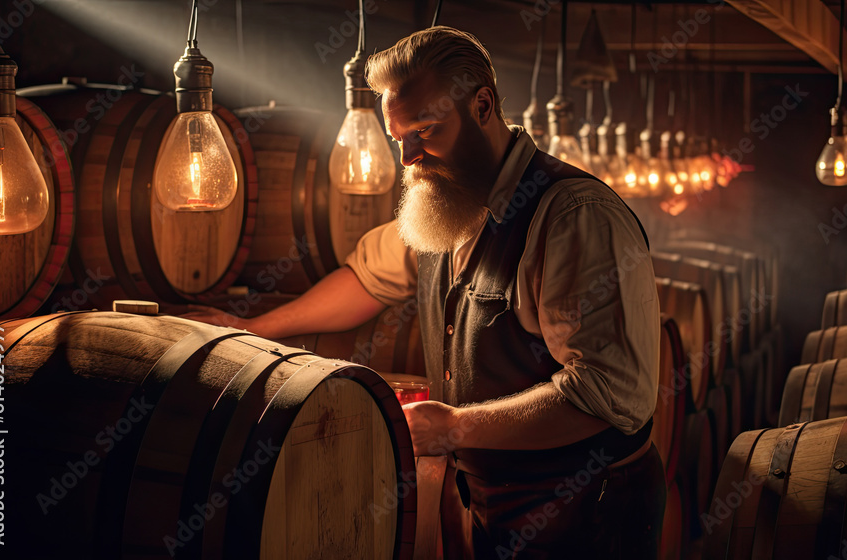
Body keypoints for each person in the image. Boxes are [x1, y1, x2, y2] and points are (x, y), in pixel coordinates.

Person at [186, 26, 664, 560]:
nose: (410, 156)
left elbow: (606, 396)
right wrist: (254, 329)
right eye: (399, 138)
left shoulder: (573, 216)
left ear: (482, 105)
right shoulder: (449, 200)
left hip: (585, 517)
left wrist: (456, 427)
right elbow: (367, 278)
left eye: (427, 130)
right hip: (488, 509)